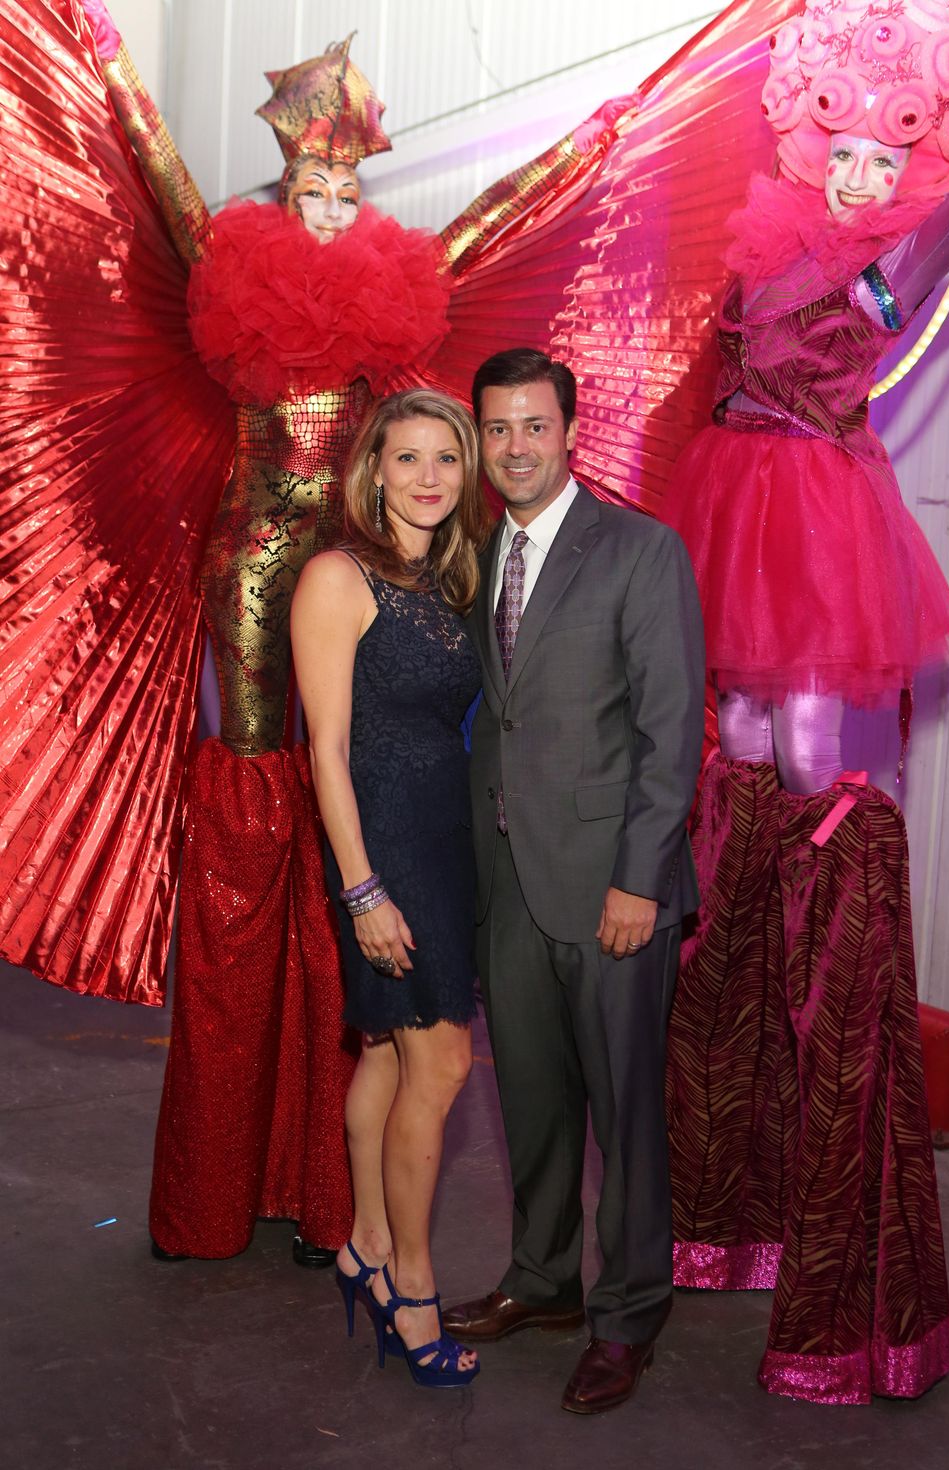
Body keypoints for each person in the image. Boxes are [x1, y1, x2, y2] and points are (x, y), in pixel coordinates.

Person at [73, 0, 619, 1266]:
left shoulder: (387, 288)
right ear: (283, 184)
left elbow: (481, 224)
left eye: (346, 189)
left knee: (365, 764)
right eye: (309, 189)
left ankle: (341, 1168)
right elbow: (160, 180)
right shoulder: (236, 264)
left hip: (360, 560)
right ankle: (242, 1135)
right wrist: (106, 53)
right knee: (260, 791)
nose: (327, 209)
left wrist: (589, 141)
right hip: (254, 562)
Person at [658, 0, 949, 1405]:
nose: (857, 178)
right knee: (742, 712)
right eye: (841, 154)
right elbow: (748, 337)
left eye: (879, 164)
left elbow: (926, 243)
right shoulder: (774, 238)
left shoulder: (879, 259)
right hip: (750, 484)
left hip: (822, 497)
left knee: (804, 723)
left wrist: (932, 196)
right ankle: (751, 828)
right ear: (809, 147)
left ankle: (805, 831)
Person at [442, 348, 705, 1414]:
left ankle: (628, 1313)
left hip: (611, 888)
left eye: (533, 426)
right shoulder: (473, 555)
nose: (515, 448)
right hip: (508, 881)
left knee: (624, 1114)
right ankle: (543, 1280)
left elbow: (670, 730)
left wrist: (640, 880)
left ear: (570, 431)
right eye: (497, 429)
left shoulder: (640, 550)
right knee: (532, 1097)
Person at [290, 388, 491, 1387]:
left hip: (445, 838)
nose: (426, 477)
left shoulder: (452, 576)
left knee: (384, 1053)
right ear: (372, 471)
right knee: (441, 1064)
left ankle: (365, 1246)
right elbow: (324, 749)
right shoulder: (338, 575)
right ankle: (412, 1285)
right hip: (383, 847)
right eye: (406, 457)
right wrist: (362, 891)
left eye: (445, 458)